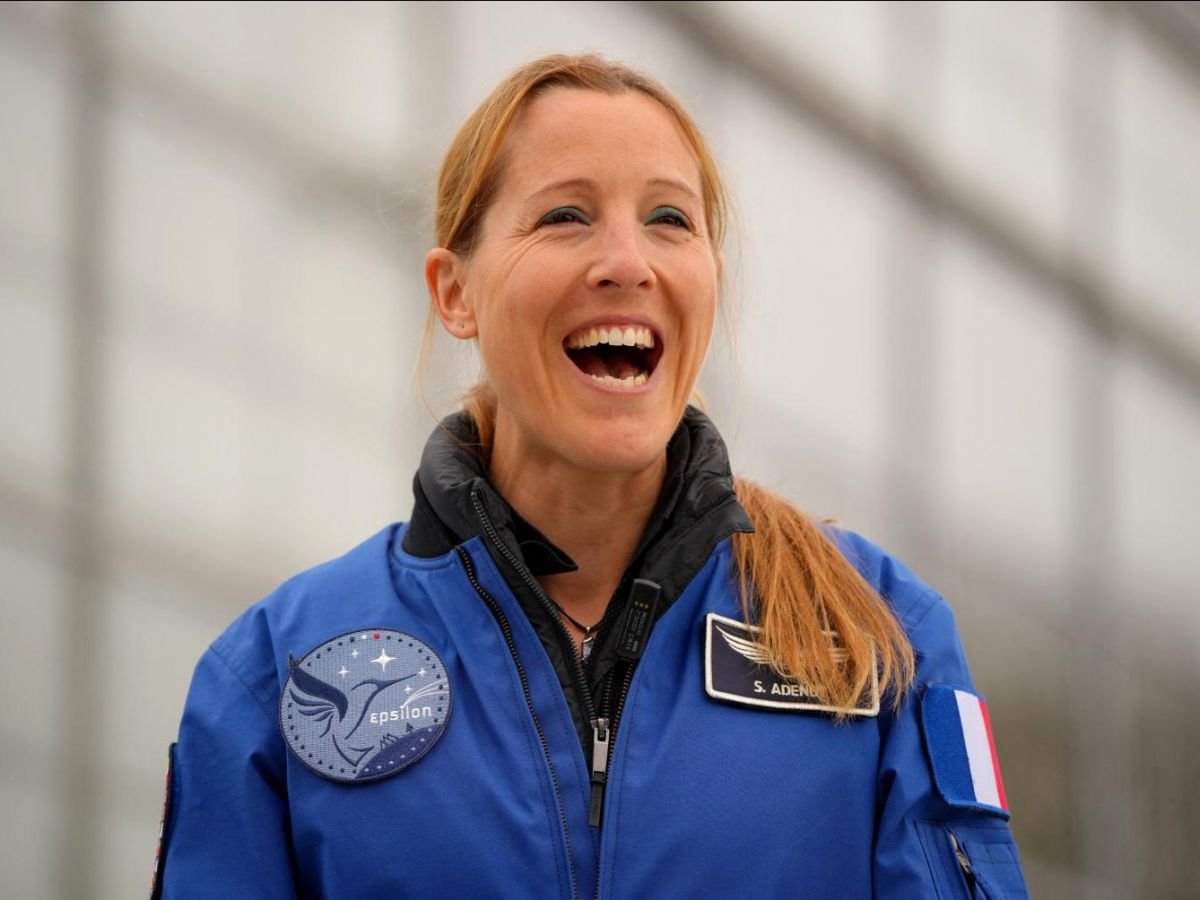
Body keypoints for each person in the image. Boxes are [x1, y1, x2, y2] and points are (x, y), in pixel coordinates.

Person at [153, 53, 1030, 899]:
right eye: (566, 216)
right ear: (455, 292)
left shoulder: (879, 635)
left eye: (670, 219)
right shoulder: (276, 671)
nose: (628, 262)